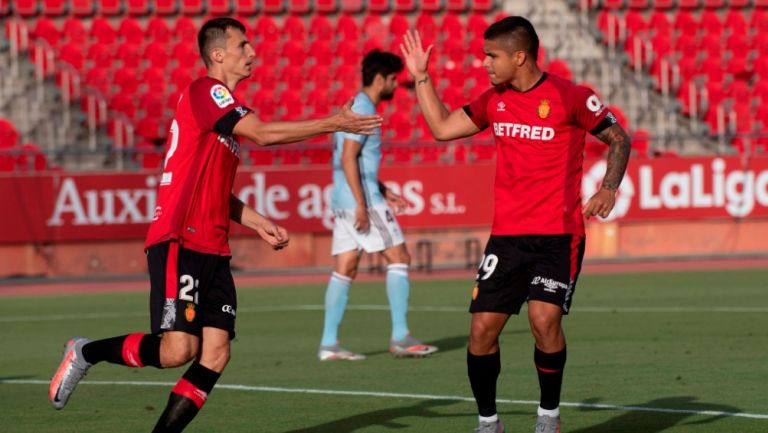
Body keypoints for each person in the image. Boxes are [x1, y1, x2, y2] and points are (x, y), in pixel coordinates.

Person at [49, 17, 382, 433]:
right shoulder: (207, 91)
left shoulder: (221, 116)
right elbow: (262, 133)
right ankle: (86, 352)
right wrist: (332, 122)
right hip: (180, 240)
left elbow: (213, 191)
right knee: (177, 351)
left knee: (216, 354)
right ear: (218, 54)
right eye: (243, 46)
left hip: (214, 247)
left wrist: (257, 221)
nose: (252, 53)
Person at [400, 17, 631, 433]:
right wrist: (422, 79)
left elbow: (619, 138)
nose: (484, 63)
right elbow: (441, 128)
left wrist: (609, 187)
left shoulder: (571, 97)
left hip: (558, 237)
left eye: (493, 55)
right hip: (506, 239)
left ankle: (548, 417)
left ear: (519, 56)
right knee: (480, 333)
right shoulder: (494, 100)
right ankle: (489, 422)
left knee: (544, 323)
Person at [318, 49, 439, 361]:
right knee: (399, 255)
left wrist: (383, 190)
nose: (395, 86)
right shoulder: (363, 108)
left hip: (346, 198)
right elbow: (348, 158)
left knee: (345, 267)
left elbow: (353, 159)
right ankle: (400, 336)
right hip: (360, 200)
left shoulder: (357, 105)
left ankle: (329, 344)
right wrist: (364, 202)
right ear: (382, 78)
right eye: (393, 80)